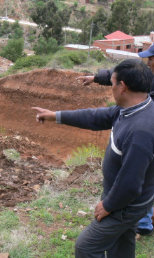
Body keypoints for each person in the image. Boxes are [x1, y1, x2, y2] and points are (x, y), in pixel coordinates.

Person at [32, 59, 154, 257]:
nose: (111, 88)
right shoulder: (133, 109)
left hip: (126, 205)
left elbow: (131, 183)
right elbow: (95, 117)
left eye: (113, 83)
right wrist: (55, 115)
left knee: (86, 246)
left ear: (122, 87)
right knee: (121, 243)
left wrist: (109, 204)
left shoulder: (140, 131)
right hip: (129, 201)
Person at [78, 44, 154, 236]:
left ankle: (142, 223)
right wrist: (96, 77)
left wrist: (109, 204)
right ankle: (141, 224)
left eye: (151, 58)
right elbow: (121, 76)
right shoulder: (146, 76)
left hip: (145, 133)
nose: (149, 61)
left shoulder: (141, 126)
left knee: (139, 175)